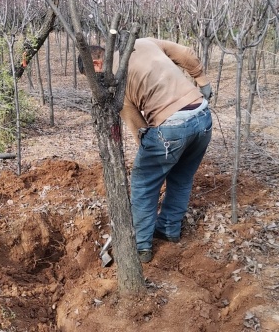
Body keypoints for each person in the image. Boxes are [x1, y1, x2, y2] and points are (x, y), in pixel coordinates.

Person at [79, 38, 212, 263]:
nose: (95, 82)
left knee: (143, 185)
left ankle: (141, 246)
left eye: (91, 76)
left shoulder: (116, 84)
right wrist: (203, 82)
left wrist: (151, 155)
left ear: (97, 64)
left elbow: (138, 126)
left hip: (170, 127)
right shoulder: (142, 43)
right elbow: (186, 54)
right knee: (181, 178)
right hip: (202, 117)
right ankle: (168, 230)